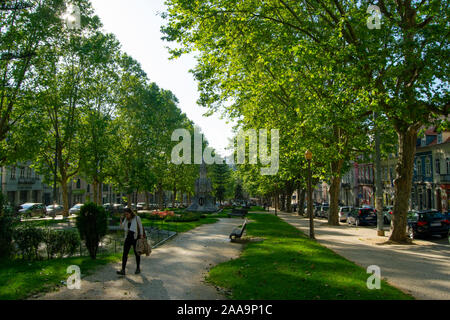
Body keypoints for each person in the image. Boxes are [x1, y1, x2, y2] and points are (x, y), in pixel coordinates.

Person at [117, 208, 144, 276]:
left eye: (127, 214)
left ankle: (138, 268)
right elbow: (122, 227)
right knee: (124, 254)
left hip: (135, 238)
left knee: (137, 253)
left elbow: (140, 227)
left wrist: (141, 235)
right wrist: (121, 219)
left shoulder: (137, 218)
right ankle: (123, 270)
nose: (126, 216)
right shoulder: (126, 219)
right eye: (125, 214)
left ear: (131, 213)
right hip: (127, 238)